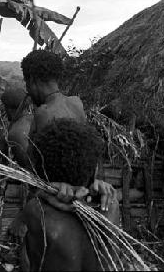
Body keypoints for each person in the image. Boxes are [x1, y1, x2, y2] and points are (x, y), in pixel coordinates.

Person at [19, 50, 116, 212]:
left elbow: (35, 164)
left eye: (27, 84)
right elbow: (87, 148)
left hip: (60, 195)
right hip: (85, 190)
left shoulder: (43, 112)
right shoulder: (76, 103)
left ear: (33, 80)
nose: (28, 90)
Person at [18, 119, 119, 271]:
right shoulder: (111, 205)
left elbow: (27, 263)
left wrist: (41, 193)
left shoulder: (37, 211)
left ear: (40, 168)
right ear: (93, 170)